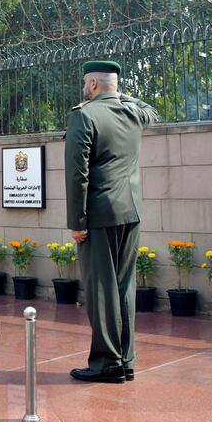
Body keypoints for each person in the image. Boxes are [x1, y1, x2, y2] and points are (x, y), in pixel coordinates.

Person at [65, 60, 159, 382]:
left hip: (99, 214)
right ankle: (126, 360)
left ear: (91, 85)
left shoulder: (84, 115)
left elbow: (77, 175)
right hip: (131, 211)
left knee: (101, 289)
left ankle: (107, 363)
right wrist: (123, 96)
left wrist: (77, 221)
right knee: (124, 287)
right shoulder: (133, 113)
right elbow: (152, 111)